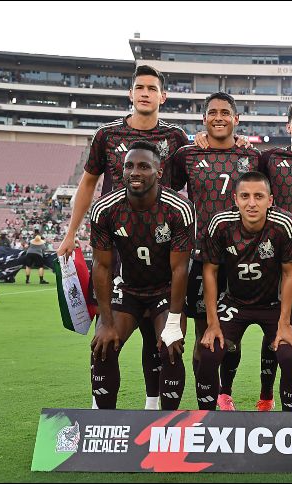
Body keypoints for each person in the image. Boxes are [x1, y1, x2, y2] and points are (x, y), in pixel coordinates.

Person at [56, 64, 190, 410]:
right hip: (118, 242)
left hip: (162, 243)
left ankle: (153, 406)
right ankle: (103, 409)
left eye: (152, 88)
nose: (145, 93)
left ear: (163, 96)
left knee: (158, 334)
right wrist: (71, 232)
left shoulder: (175, 138)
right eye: (139, 87)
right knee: (111, 328)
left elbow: (195, 175)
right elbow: (88, 183)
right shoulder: (107, 135)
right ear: (131, 94)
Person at [196, 101, 292, 411]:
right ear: (287, 126)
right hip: (272, 257)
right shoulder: (268, 158)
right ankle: (229, 393)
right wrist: (210, 139)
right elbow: (246, 175)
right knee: (257, 323)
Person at [171, 92, 262, 411]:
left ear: (237, 120)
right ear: (204, 118)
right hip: (202, 257)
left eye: (226, 112)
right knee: (203, 335)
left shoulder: (253, 157)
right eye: (213, 112)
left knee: (232, 336)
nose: (219, 117)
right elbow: (166, 193)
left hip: (243, 260)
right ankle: (205, 405)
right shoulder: (187, 154)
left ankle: (225, 393)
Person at [88, 140, 194, 411]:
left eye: (144, 166)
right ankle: (103, 422)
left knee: (171, 346)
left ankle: (167, 425)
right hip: (128, 287)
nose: (135, 172)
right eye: (129, 166)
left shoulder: (177, 208)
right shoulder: (105, 208)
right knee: (103, 346)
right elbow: (101, 267)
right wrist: (105, 321)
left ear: (158, 172)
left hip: (164, 289)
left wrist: (173, 320)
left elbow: (180, 268)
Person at [197, 171, 292, 411]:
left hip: (273, 306)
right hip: (235, 303)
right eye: (245, 196)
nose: (252, 203)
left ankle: (288, 420)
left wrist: (285, 322)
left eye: (259, 196)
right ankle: (207, 417)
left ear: (271, 200)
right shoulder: (221, 224)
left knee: (288, 355)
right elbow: (210, 272)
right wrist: (212, 323)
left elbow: (289, 273)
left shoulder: (284, 224)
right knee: (210, 353)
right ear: (235, 199)